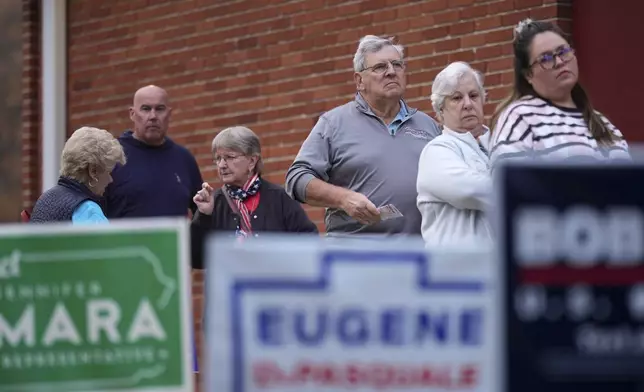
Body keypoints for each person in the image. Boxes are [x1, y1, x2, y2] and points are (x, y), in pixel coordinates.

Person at [286, 35, 441, 236]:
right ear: (359, 81)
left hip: (417, 255)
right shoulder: (334, 123)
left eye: (397, 65)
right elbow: (296, 179)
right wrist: (343, 198)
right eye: (380, 67)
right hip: (354, 257)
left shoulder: (428, 125)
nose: (391, 72)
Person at [489, 19, 630, 167]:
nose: (560, 62)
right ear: (528, 74)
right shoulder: (520, 117)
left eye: (563, 51)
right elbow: (507, 182)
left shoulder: (603, 123)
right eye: (546, 58)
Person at [191, 126, 318, 268]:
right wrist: (203, 215)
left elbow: (309, 241)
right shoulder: (215, 202)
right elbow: (196, 260)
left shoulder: (278, 197)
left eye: (229, 157)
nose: (221, 165)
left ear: (252, 161)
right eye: (218, 158)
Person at [416, 62, 493, 247]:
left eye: (474, 96)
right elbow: (473, 191)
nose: (468, 104)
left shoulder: (500, 144)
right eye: (457, 98)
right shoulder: (437, 150)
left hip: (500, 269)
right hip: (455, 271)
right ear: (440, 111)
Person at [103, 85, 203, 218]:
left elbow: (202, 215)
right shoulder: (111, 157)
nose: (153, 116)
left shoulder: (184, 159)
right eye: (146, 109)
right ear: (132, 114)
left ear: (169, 114)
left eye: (160, 109)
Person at [30, 127, 126, 224]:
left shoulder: (46, 199)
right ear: (93, 171)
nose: (111, 180)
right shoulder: (89, 211)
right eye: (108, 172)